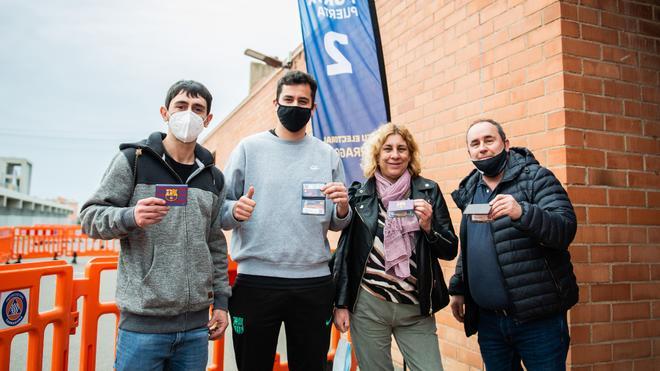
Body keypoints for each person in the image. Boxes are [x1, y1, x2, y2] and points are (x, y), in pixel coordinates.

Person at [80, 80, 231, 371]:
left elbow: (214, 242)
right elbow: (90, 218)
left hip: (196, 330)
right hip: (142, 328)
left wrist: (222, 302)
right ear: (165, 112)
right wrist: (130, 217)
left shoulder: (213, 177)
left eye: (198, 109)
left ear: (208, 119)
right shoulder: (133, 162)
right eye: (181, 106)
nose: (189, 114)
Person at [221, 70, 352, 371]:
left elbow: (337, 222)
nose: (295, 105)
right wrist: (234, 211)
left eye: (302, 101)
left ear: (313, 108)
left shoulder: (328, 154)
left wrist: (343, 208)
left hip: (313, 285)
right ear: (275, 103)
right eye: (288, 99)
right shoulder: (248, 149)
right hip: (255, 283)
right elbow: (221, 212)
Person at [448, 119, 578, 370]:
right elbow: (471, 245)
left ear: (505, 144)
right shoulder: (470, 189)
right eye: (475, 144)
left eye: (489, 140)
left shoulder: (536, 178)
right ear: (469, 152)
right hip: (490, 323)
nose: (482, 148)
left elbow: (564, 229)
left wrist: (522, 212)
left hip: (538, 321)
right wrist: (458, 286)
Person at [332, 123, 458, 371]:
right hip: (369, 306)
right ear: (377, 155)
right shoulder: (359, 195)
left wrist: (429, 227)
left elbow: (450, 249)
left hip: (415, 307)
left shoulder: (428, 191)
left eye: (402, 149)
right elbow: (346, 256)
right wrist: (341, 304)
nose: (395, 155)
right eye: (387, 148)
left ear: (410, 155)